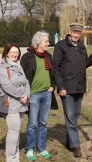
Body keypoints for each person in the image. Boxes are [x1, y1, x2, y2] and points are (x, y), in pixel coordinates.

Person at [52, 23, 92, 158]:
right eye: (74, 32)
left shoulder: (82, 47)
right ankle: (76, 146)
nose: (76, 35)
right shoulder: (61, 46)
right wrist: (61, 87)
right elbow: (55, 68)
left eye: (78, 33)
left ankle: (69, 142)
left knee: (75, 116)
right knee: (70, 116)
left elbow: (83, 65)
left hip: (79, 87)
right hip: (67, 88)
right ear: (69, 32)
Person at [20, 31, 55, 161]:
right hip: (33, 95)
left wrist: (53, 86)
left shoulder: (49, 56)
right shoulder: (27, 57)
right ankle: (29, 149)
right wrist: (25, 94)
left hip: (47, 94)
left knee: (43, 123)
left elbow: (53, 73)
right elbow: (22, 77)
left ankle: (41, 149)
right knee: (32, 124)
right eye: (46, 41)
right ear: (38, 43)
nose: (48, 43)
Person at [0, 43, 30, 162]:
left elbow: (26, 81)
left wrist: (26, 95)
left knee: (16, 131)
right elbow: (6, 86)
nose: (14, 54)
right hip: (10, 104)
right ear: (7, 53)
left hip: (22, 103)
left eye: (16, 52)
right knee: (13, 131)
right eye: (12, 52)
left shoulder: (18, 65)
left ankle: (15, 157)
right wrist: (20, 95)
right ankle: (11, 159)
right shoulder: (2, 67)